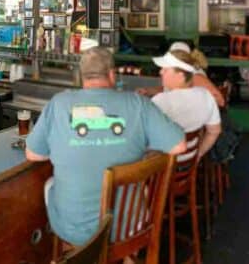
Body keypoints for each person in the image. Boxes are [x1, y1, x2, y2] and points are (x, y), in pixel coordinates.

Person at [25, 46, 186, 248]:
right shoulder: (138, 103)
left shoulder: (58, 103)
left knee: (50, 184)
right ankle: (125, 255)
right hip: (127, 227)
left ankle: (73, 254)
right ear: (111, 74)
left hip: (75, 231)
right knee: (138, 191)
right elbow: (179, 146)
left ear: (82, 76)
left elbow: (33, 154)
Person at [151, 50, 222, 158]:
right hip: (189, 162)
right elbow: (214, 131)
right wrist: (198, 155)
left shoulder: (161, 101)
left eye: (165, 69)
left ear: (181, 75)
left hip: (161, 168)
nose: (160, 72)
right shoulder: (206, 95)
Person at [137, 42, 225, 107]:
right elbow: (167, 90)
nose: (161, 71)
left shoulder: (195, 75)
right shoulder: (175, 73)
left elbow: (219, 101)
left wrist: (192, 107)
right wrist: (148, 91)